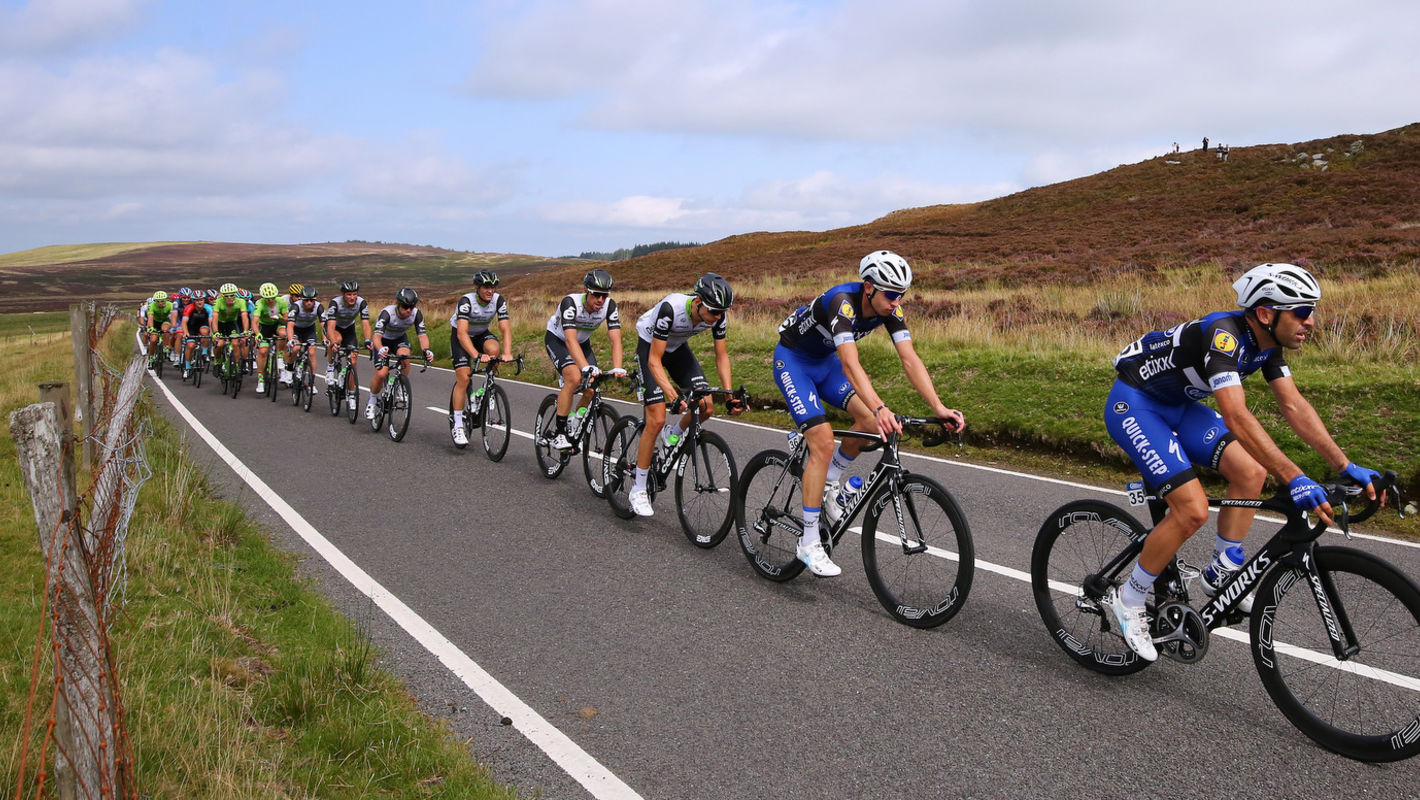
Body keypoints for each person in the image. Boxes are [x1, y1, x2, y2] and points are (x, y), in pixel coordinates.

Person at [1103, 262, 1381, 661]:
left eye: (1312, 311)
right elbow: (1236, 415)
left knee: (1251, 472)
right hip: (1137, 405)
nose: (1312, 321)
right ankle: (1129, 600)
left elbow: (1293, 405)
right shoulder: (1225, 336)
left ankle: (1221, 573)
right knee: (1192, 510)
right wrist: (1296, 477)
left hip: (1179, 405)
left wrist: (1345, 466)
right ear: (1267, 314)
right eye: (1302, 312)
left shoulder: (1266, 343)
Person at [772, 250, 967, 576]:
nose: (896, 302)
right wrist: (879, 407)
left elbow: (910, 359)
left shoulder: (890, 309)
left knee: (869, 424)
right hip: (793, 362)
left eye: (901, 295)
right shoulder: (842, 303)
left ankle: (831, 483)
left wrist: (939, 407)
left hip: (825, 365)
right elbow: (851, 363)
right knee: (823, 440)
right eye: (891, 294)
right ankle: (807, 543)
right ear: (868, 288)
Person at [625, 273, 746, 516]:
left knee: (706, 406)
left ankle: (674, 434)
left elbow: (721, 357)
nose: (717, 318)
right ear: (699, 303)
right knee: (657, 417)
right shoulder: (672, 309)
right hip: (651, 347)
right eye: (713, 312)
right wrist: (673, 396)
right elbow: (655, 361)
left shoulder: (717, 316)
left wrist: (731, 395)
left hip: (678, 348)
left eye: (722, 312)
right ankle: (638, 488)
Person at [542, 269, 627, 451]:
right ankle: (560, 433)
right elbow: (570, 340)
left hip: (582, 343)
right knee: (574, 377)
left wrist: (617, 368)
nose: (600, 300)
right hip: (558, 339)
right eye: (596, 295)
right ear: (586, 290)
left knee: (592, 387)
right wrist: (584, 368)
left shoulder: (609, 306)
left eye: (604, 296)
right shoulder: (570, 303)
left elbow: (615, 339)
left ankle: (576, 420)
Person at [448, 270, 515, 447]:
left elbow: (505, 329)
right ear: (477, 287)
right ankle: (458, 424)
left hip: (481, 334)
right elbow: (462, 334)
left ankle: (486, 389)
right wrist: (476, 355)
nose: (490, 291)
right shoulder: (466, 301)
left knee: (495, 349)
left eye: (493, 287)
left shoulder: (498, 300)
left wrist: (507, 353)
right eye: (486, 287)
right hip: (461, 337)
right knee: (463, 377)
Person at [366, 287, 434, 421]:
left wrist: (426, 350)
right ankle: (372, 402)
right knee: (381, 374)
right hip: (383, 341)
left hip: (399, 339)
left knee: (405, 357)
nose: (409, 310)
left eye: (412, 306)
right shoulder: (387, 313)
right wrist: (380, 349)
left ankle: (400, 386)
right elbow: (377, 336)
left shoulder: (416, 314)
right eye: (405, 306)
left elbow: (422, 335)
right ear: (398, 304)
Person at [324, 280, 372, 395]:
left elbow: (365, 324)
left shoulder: (362, 303)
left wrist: (367, 340)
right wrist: (334, 342)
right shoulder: (335, 303)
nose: (352, 297)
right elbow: (330, 326)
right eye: (349, 294)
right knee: (337, 340)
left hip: (349, 328)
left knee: (353, 360)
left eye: (355, 294)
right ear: (343, 295)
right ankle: (330, 367)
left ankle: (351, 393)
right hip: (334, 327)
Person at [284, 285, 326, 387]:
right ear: (302, 300)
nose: (309, 303)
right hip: (296, 329)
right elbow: (290, 325)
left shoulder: (319, 307)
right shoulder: (296, 307)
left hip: (309, 329)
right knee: (295, 348)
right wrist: (290, 340)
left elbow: (324, 325)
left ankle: (311, 383)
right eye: (306, 300)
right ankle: (289, 369)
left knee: (312, 352)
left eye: (311, 300)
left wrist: (325, 338)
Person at [252, 282, 289, 395]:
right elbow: (255, 321)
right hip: (264, 327)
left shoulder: (281, 302)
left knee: (283, 334)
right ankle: (261, 380)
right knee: (263, 352)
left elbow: (286, 320)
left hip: (277, 324)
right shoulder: (260, 303)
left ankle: (279, 358)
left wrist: (279, 317)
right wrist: (257, 333)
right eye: (267, 299)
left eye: (272, 298)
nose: (270, 300)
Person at [210, 283, 250, 371]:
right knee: (219, 344)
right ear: (222, 296)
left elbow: (244, 317)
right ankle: (218, 362)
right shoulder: (218, 302)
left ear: (235, 295)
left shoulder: (241, 302)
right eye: (226, 296)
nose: (229, 298)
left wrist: (246, 331)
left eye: (232, 295)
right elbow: (214, 318)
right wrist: (216, 332)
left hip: (231, 324)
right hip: (219, 324)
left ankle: (237, 366)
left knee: (235, 343)